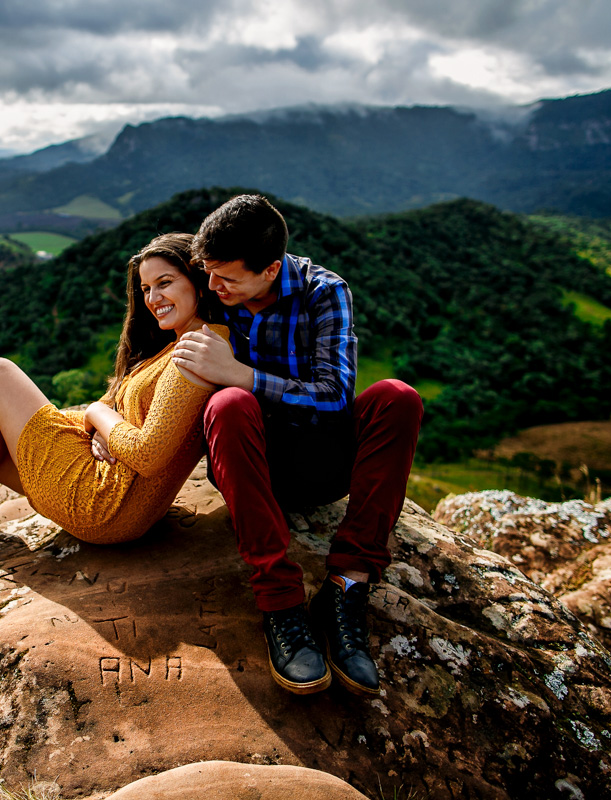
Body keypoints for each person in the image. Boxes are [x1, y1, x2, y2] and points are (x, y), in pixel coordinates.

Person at [170, 195, 423, 696]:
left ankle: (347, 585)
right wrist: (104, 424)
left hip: (320, 460)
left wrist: (241, 373)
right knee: (227, 404)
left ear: (270, 269)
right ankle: (281, 603)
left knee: (398, 398)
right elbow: (145, 345)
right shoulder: (212, 284)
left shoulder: (324, 292)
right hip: (247, 464)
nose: (213, 287)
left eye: (227, 278)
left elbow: (335, 396)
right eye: (208, 273)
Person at [0, 233, 230, 578]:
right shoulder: (177, 344)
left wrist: (97, 414)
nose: (153, 298)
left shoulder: (198, 350)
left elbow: (148, 454)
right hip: (113, 493)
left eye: (165, 283)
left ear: (199, 284)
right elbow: (128, 414)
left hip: (105, 501)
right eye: (145, 289)